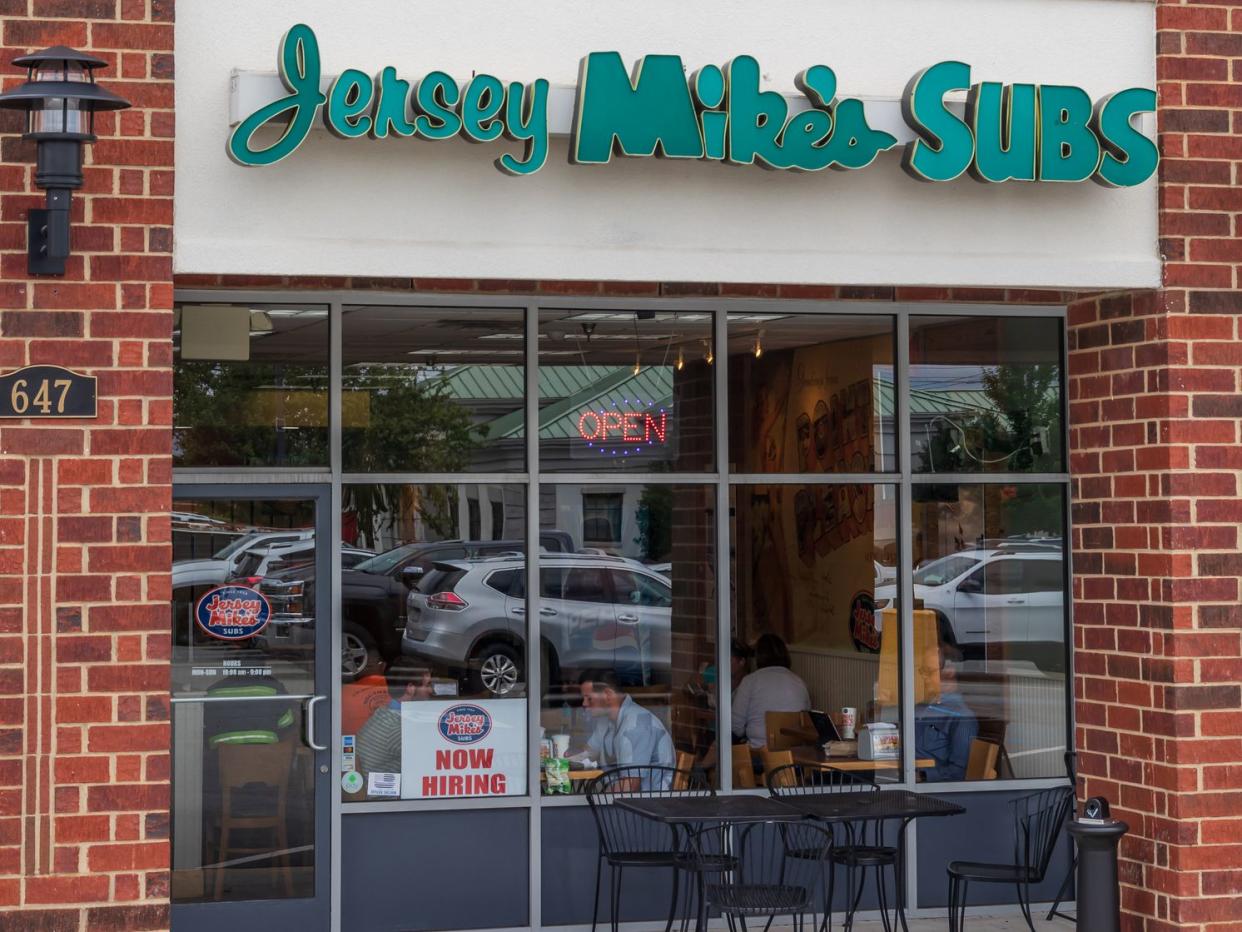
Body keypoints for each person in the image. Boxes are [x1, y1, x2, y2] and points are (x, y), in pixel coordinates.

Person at [578, 669, 674, 787]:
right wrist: (562, 760)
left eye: (589, 698)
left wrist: (596, 799)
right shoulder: (606, 720)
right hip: (616, 799)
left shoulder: (635, 725)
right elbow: (588, 753)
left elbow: (628, 786)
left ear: (608, 695)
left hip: (645, 803)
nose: (584, 703)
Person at [731, 633, 811, 750]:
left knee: (720, 746)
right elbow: (806, 721)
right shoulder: (799, 682)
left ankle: (700, 766)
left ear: (758, 656)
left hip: (759, 754)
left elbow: (735, 726)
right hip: (793, 757)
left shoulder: (750, 681)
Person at [356, 660, 434, 778]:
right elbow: (434, 764)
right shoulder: (399, 729)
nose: (431, 691)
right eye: (427, 685)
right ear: (410, 688)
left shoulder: (384, 713)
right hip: (386, 795)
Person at [914, 641, 978, 782]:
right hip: (896, 775)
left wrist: (921, 777)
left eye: (929, 671)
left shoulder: (962, 718)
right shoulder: (922, 707)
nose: (924, 676)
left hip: (925, 793)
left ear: (949, 672)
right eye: (922, 671)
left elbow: (958, 772)